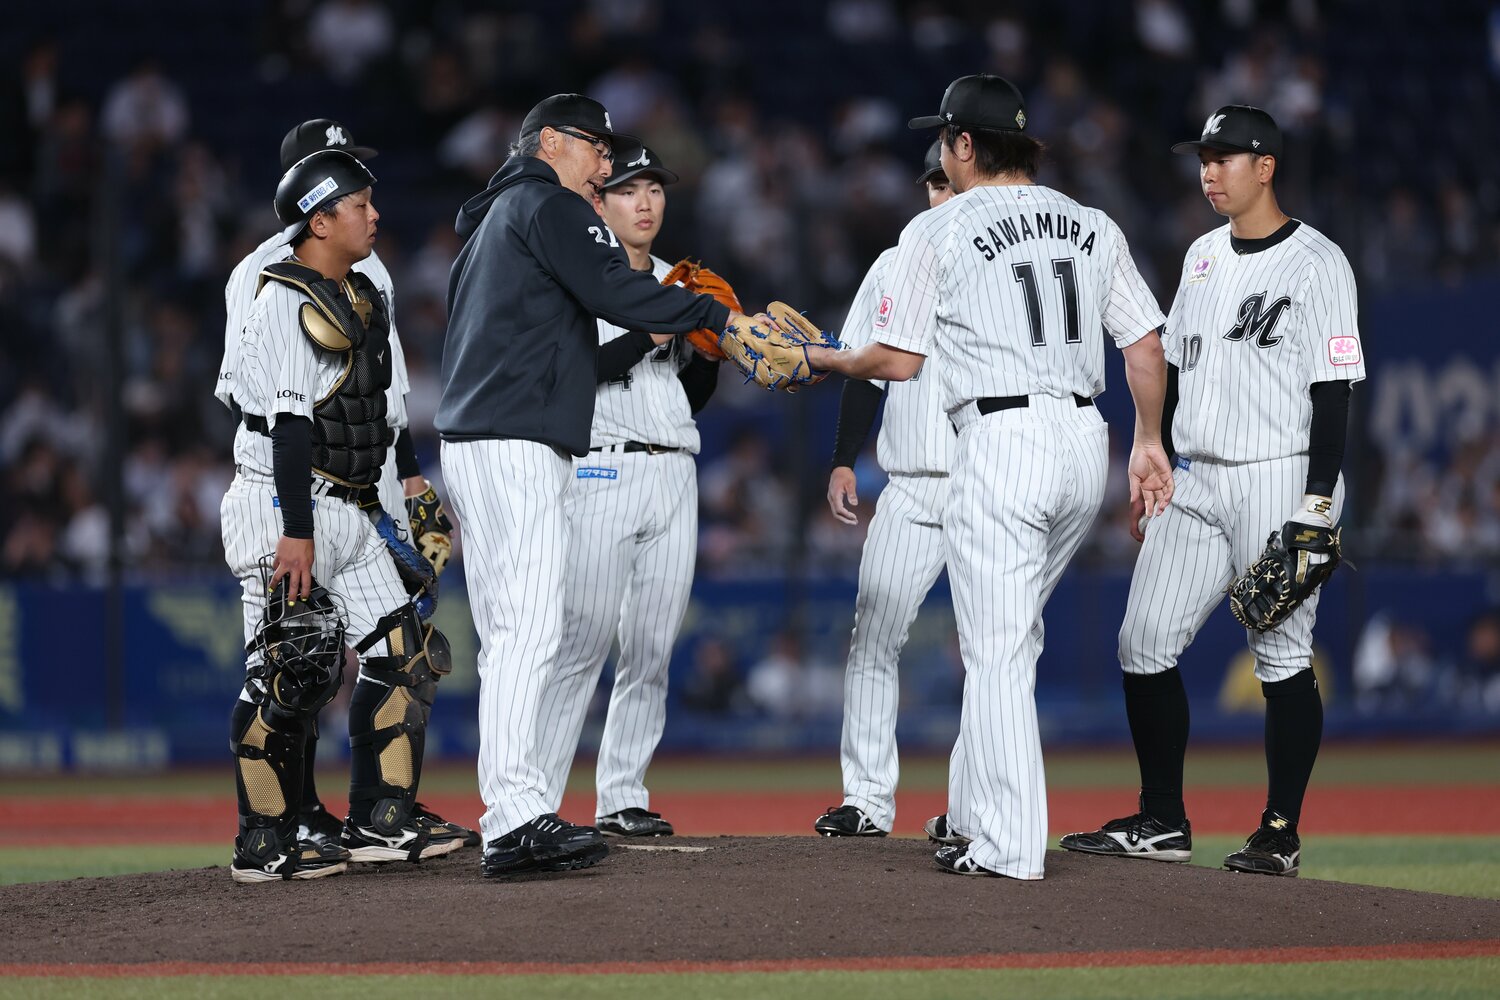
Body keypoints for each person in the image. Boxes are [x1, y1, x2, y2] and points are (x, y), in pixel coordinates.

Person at [805, 74, 1173, 879]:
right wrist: (1149, 440)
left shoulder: (934, 232)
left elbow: (896, 361)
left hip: (1002, 440)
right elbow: (1145, 346)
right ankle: (973, 815)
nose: (942, 151)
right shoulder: (1092, 221)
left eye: (945, 138)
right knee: (1013, 639)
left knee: (997, 651)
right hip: (1087, 444)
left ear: (965, 145)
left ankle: (1007, 846)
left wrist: (820, 357)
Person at [437, 95, 755, 877]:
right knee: (534, 631)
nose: (608, 166)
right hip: (513, 440)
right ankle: (515, 815)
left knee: (517, 633)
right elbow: (619, 295)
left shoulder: (495, 217)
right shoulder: (547, 202)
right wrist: (719, 317)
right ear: (550, 142)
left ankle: (515, 811)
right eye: (596, 149)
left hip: (481, 436)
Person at [1060, 106, 1364, 877]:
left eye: (1226, 156)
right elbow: (1179, 366)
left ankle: (1279, 830)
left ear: (1266, 167)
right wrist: (1154, 445)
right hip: (1196, 474)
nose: (1208, 169)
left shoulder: (1318, 262)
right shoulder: (1199, 256)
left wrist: (1319, 502)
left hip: (1280, 471)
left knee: (1283, 657)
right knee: (1142, 641)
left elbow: (1335, 391)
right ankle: (1162, 817)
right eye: (1204, 156)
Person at [218, 118, 476, 852]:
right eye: (349, 180)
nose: (371, 201)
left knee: (402, 649)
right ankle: (281, 822)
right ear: (313, 199)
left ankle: (378, 815)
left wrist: (411, 477)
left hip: (362, 489)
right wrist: (295, 513)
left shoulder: (366, 276)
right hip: (288, 488)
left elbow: (380, 397)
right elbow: (267, 405)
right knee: (294, 664)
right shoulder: (264, 281)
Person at [529, 140, 722, 838]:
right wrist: (656, 324)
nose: (645, 202)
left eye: (656, 190)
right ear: (598, 201)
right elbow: (578, 373)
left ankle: (622, 795)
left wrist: (707, 352)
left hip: (674, 468)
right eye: (629, 190)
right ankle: (534, 804)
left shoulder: (681, 279)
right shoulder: (577, 273)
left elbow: (685, 393)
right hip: (600, 466)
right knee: (580, 642)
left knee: (650, 647)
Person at [813, 141, 954, 838]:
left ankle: (980, 808)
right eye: (930, 180)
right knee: (873, 635)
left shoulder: (1003, 260)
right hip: (912, 484)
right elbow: (866, 367)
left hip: (997, 482)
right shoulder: (895, 263)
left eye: (948, 178)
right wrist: (844, 460)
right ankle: (867, 800)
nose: (939, 191)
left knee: (998, 650)